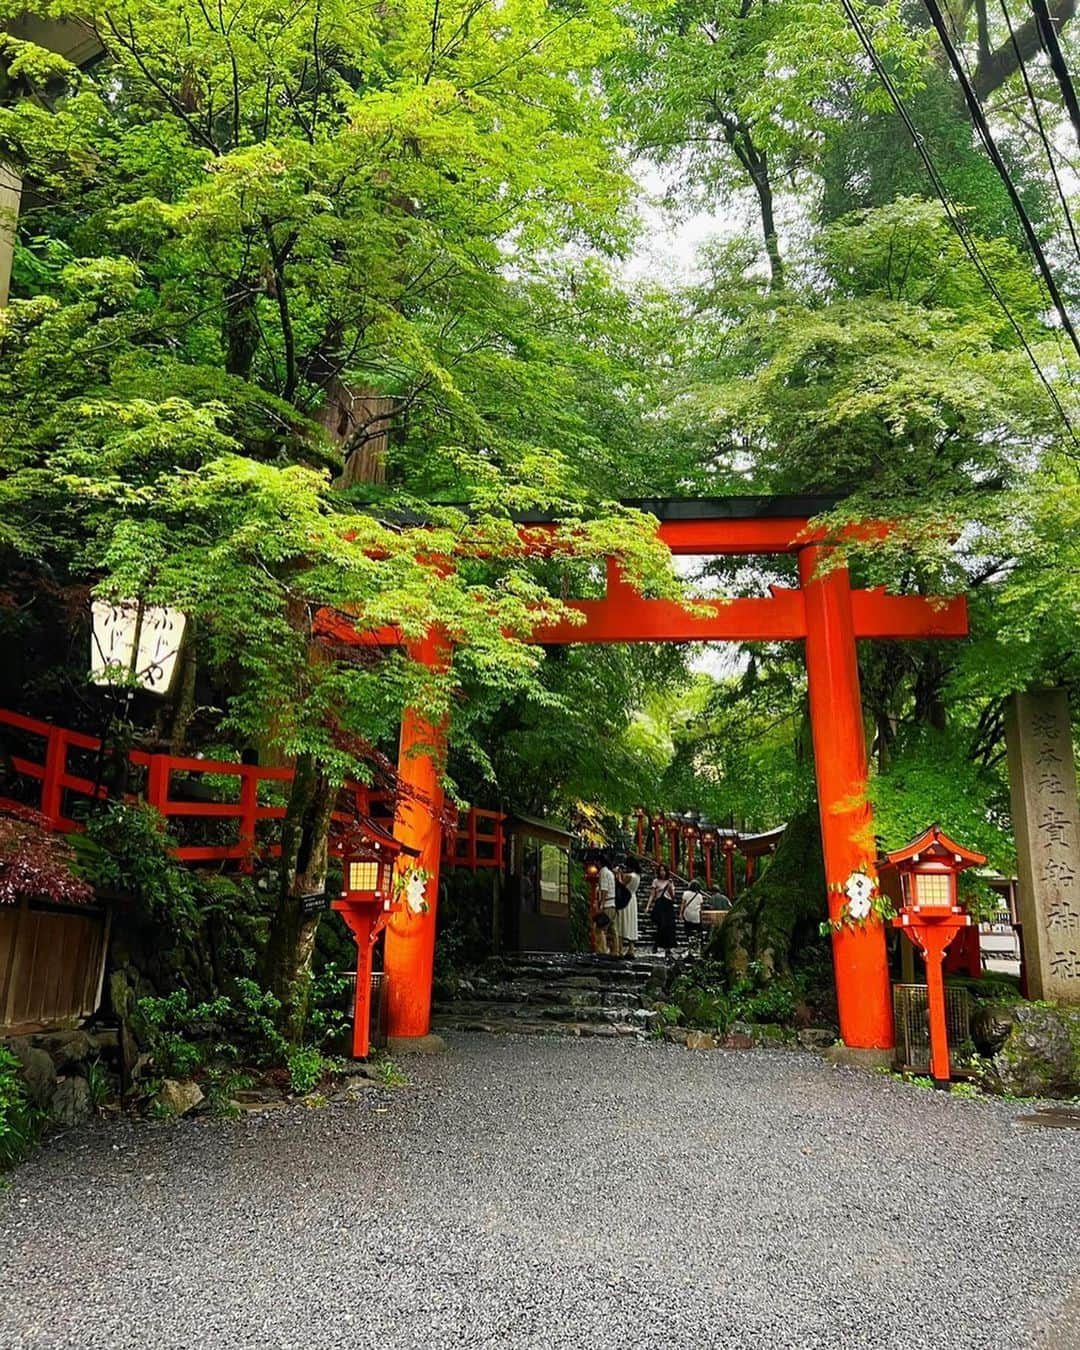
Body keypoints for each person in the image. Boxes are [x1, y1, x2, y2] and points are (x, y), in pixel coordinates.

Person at [646, 863, 678, 960]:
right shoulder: (655, 881)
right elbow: (652, 894)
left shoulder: (670, 882)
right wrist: (648, 906)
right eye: (660, 870)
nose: (662, 872)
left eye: (664, 870)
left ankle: (667, 948)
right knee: (661, 925)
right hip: (659, 904)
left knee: (668, 926)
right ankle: (657, 943)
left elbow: (673, 897)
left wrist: (670, 888)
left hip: (668, 905)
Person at [614, 861, 640, 959]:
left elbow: (621, 884)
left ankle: (620, 949)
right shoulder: (637, 876)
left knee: (621, 922)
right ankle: (631, 949)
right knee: (632, 923)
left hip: (625, 898)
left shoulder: (629, 876)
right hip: (633, 898)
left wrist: (619, 874)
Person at [596, 855, 620, 957]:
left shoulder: (603, 872)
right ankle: (615, 950)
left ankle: (602, 950)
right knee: (612, 929)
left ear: (599, 862)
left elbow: (604, 889)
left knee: (600, 928)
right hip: (613, 903)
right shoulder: (610, 872)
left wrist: (601, 904)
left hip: (607, 904)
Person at [680, 879, 706, 952]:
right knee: (698, 929)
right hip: (696, 915)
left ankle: (690, 941)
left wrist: (680, 913)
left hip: (688, 913)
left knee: (688, 928)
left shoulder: (686, 893)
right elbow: (701, 906)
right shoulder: (699, 896)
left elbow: (683, 904)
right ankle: (700, 943)